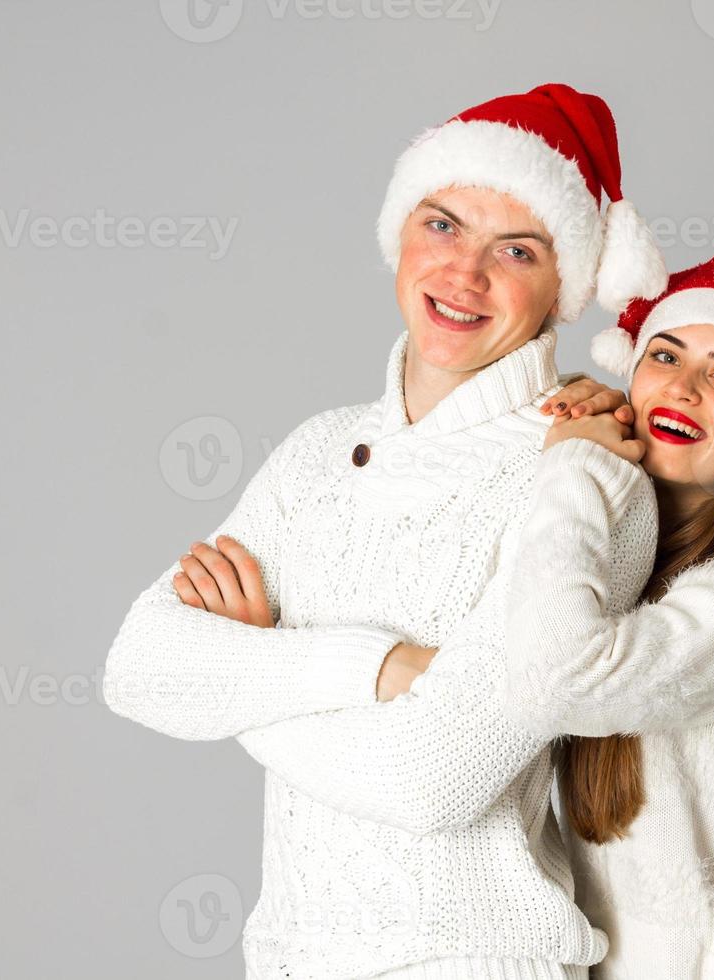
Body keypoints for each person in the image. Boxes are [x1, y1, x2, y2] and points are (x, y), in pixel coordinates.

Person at [102, 83, 668, 979]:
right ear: (398, 234)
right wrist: (376, 665)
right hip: (290, 958)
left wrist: (251, 669)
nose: (464, 274)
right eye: (441, 225)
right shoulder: (317, 453)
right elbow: (138, 666)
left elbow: (429, 777)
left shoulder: (589, 479)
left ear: (566, 287)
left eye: (515, 249)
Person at [503, 241, 714, 979]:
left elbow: (550, 678)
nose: (682, 389)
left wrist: (575, 465)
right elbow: (510, 635)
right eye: (665, 357)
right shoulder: (621, 553)